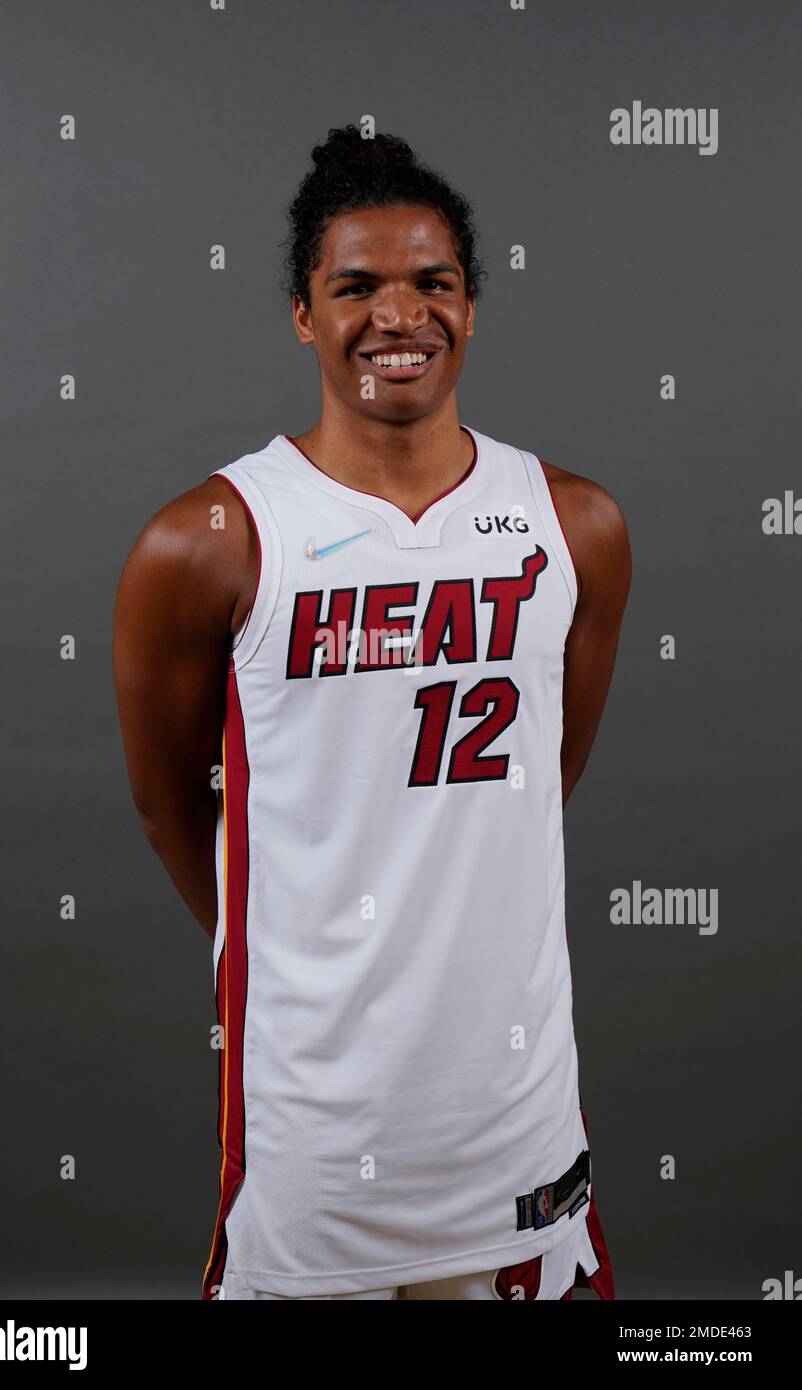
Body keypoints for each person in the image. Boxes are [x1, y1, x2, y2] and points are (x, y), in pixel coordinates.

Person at [113, 125, 630, 1301]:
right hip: (313, 1119)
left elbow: (539, 784)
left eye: (431, 283)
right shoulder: (208, 541)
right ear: (304, 314)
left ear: (471, 304)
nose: (398, 314)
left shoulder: (574, 524)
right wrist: (294, 940)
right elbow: (165, 808)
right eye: (357, 286)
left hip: (510, 1113)